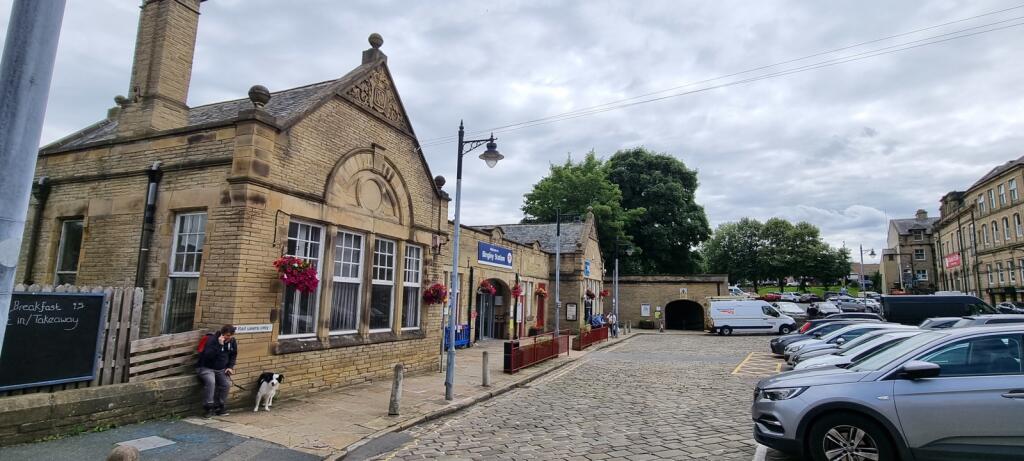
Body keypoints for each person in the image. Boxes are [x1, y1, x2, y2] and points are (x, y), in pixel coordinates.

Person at [197, 324, 237, 417]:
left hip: (221, 369)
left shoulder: (232, 341)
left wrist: (230, 367)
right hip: (206, 367)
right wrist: (219, 345)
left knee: (226, 384)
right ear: (222, 334)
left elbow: (233, 355)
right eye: (227, 335)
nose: (229, 337)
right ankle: (208, 408)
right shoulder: (212, 340)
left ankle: (219, 407)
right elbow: (208, 356)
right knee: (211, 382)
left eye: (231, 335)